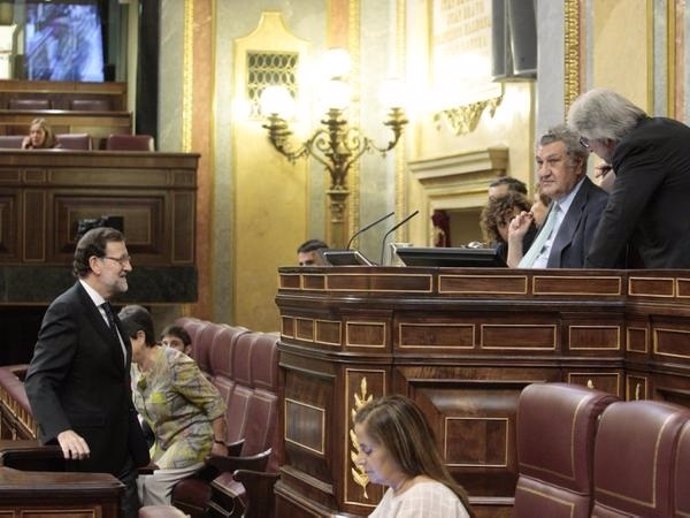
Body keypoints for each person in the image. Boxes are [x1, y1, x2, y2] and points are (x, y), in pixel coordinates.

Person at [24, 227, 149, 518]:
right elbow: (39, 378)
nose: (128, 267)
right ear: (95, 264)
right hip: (88, 457)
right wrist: (62, 430)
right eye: (121, 260)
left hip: (121, 454)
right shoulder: (67, 309)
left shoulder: (109, 312)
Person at [567, 87, 690, 268]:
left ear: (605, 138)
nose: (590, 149)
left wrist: (590, 276)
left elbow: (617, 217)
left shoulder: (637, 148)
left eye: (586, 141)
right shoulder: (662, 128)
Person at [118, 304, 228, 506]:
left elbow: (214, 400)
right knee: (139, 478)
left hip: (194, 440)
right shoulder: (133, 367)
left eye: (124, 341)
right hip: (164, 442)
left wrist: (219, 442)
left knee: (153, 484)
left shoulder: (175, 363)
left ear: (141, 337)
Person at [354, 395, 474, 518]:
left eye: (367, 450)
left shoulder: (423, 498)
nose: (359, 460)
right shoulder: (398, 491)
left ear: (398, 447)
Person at [506, 124, 609, 268]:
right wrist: (515, 240)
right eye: (540, 163)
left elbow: (593, 279)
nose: (543, 172)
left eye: (553, 162)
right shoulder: (555, 208)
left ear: (578, 164)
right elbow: (524, 277)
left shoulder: (599, 208)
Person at [480, 191, 537, 264]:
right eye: (502, 224)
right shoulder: (500, 250)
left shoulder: (537, 242)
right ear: (496, 229)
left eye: (513, 219)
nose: (509, 227)